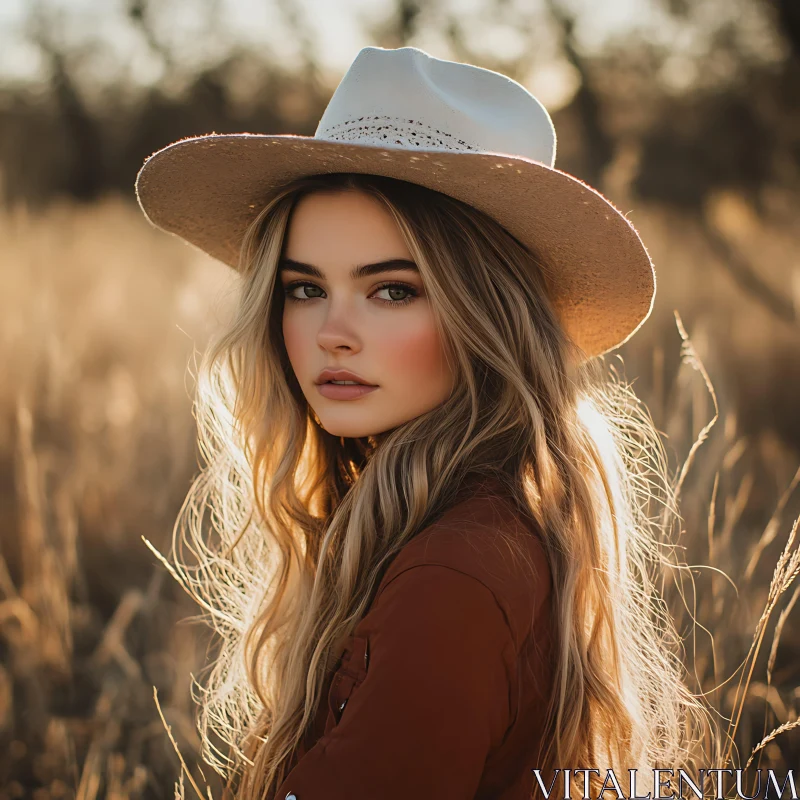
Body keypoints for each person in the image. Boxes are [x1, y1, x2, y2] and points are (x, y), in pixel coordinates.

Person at [135, 46, 714, 800]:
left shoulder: (456, 576)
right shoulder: (448, 520)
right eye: (305, 288)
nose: (331, 333)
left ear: (486, 317)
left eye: (393, 291)